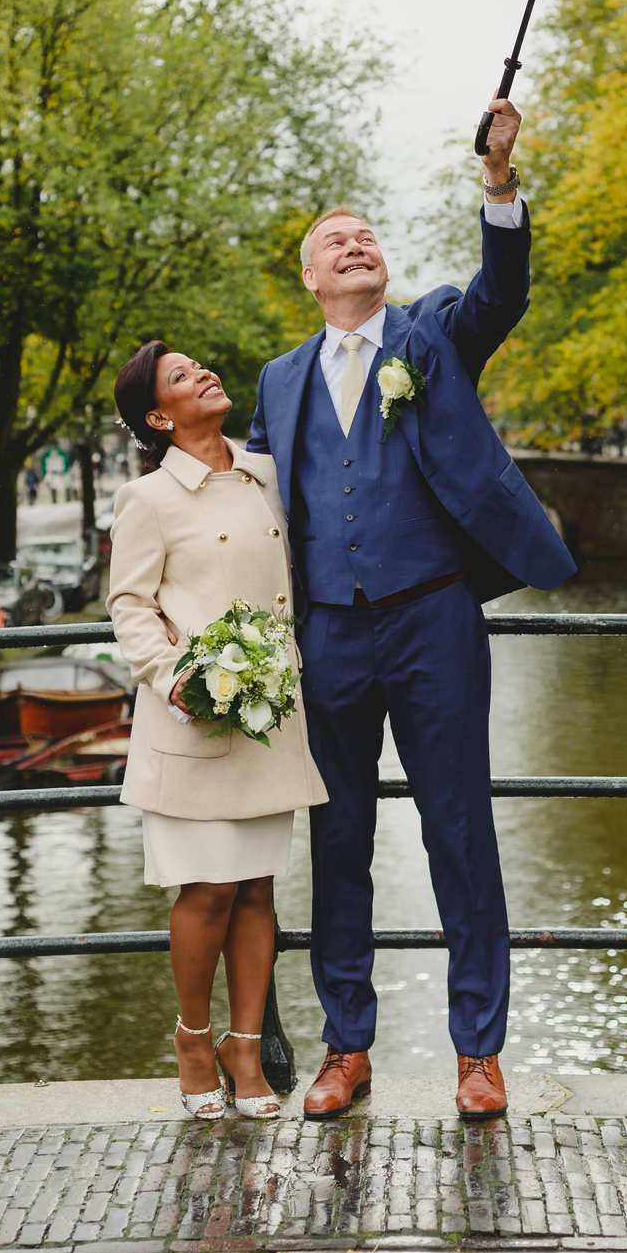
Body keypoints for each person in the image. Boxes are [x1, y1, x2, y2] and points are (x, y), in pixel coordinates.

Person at [247, 95, 576, 1122]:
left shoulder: (431, 331)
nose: (354, 243)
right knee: (338, 841)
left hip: (433, 619)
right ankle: (347, 1045)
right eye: (332, 241)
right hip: (328, 635)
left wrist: (498, 180)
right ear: (310, 278)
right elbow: (256, 504)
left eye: (365, 233)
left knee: (459, 831)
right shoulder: (279, 378)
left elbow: (503, 292)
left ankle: (478, 1050)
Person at [107, 340, 328, 1120]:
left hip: (269, 714)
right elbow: (130, 608)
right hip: (194, 720)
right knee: (207, 889)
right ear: (159, 416)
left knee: (258, 887)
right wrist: (178, 682)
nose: (203, 372)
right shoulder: (148, 499)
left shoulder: (262, 475)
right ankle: (193, 1041)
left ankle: (245, 1043)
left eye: (199, 364)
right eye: (181, 375)